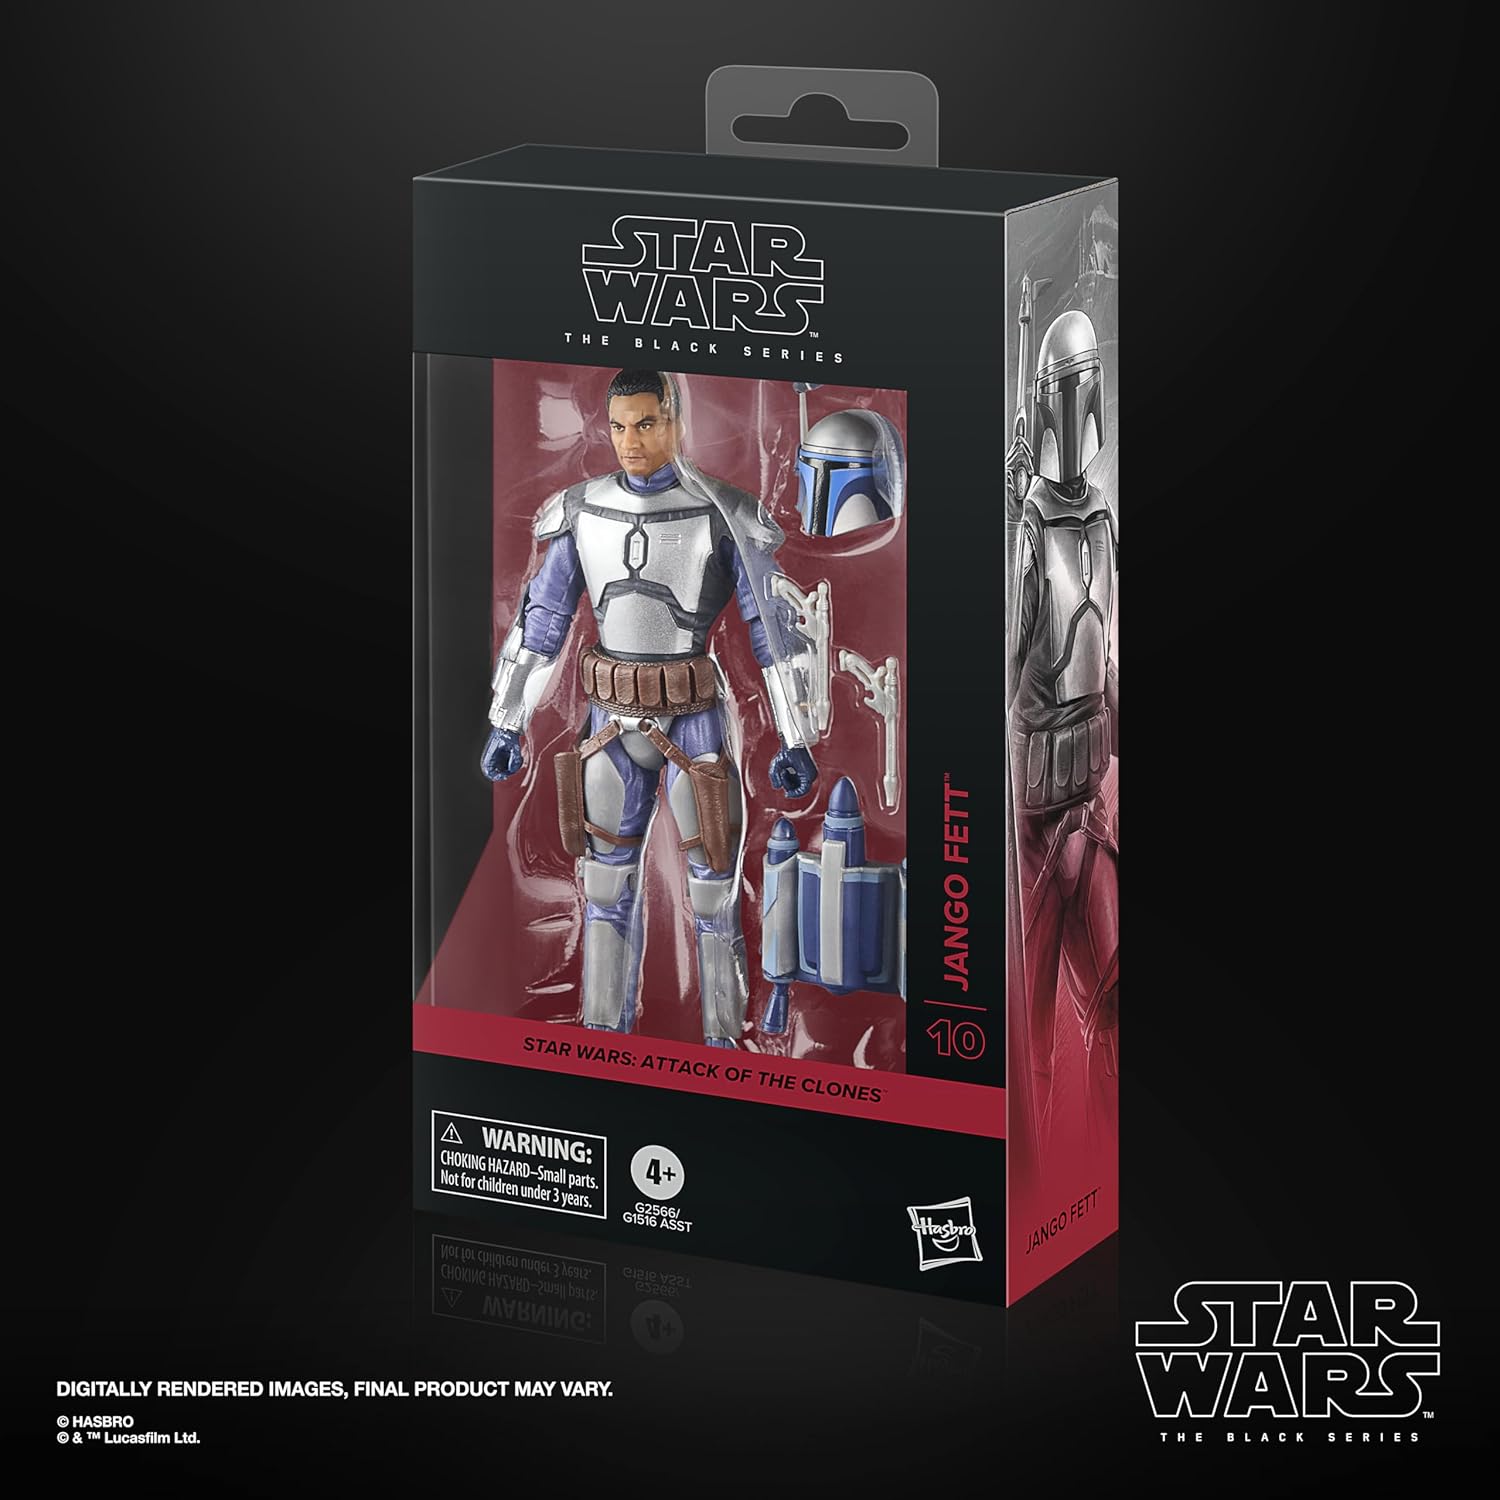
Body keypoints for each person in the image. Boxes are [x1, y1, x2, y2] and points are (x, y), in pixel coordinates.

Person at [481, 370, 818, 1047]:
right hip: (609, 722)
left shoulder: (723, 512)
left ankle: (725, 1047)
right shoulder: (581, 510)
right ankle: (602, 1040)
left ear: (673, 421)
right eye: (618, 426)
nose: (630, 441)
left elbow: (772, 630)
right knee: (605, 892)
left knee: (715, 894)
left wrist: (795, 734)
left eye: (645, 424)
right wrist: (507, 721)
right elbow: (542, 621)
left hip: (694, 720)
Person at [1006, 311, 1119, 1144]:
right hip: (1037, 810)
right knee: (1033, 1035)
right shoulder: (1030, 526)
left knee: (1110, 999)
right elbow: (1007, 664)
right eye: (1065, 390)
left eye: (1083, 388)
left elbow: (1105, 650)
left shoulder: (1101, 516)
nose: (1075, 406)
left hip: (1091, 796)